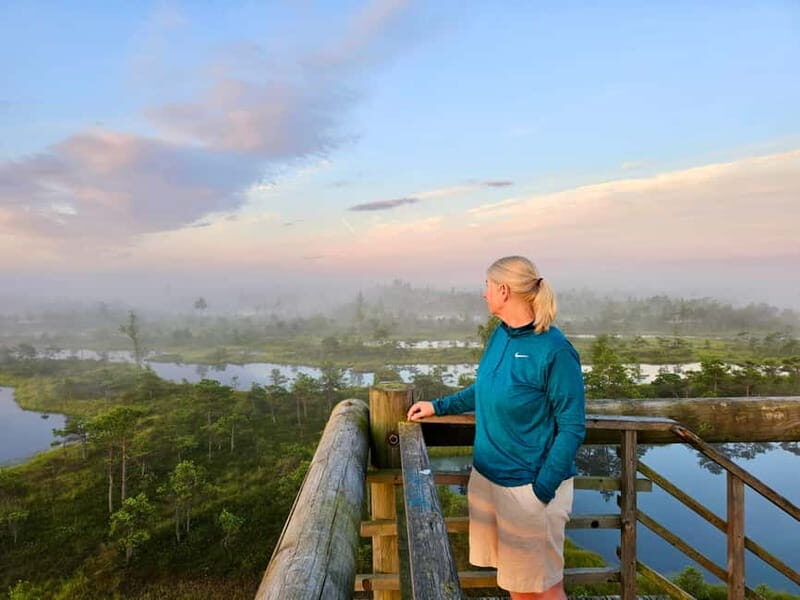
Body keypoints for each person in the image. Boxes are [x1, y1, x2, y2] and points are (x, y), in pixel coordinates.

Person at [407, 255, 586, 600]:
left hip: (528, 488)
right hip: (490, 480)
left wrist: (541, 492)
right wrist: (438, 407)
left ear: (503, 290)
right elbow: (487, 388)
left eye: (486, 286)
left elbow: (572, 427)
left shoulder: (555, 350)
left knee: (544, 589)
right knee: (517, 586)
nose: (483, 293)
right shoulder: (502, 336)